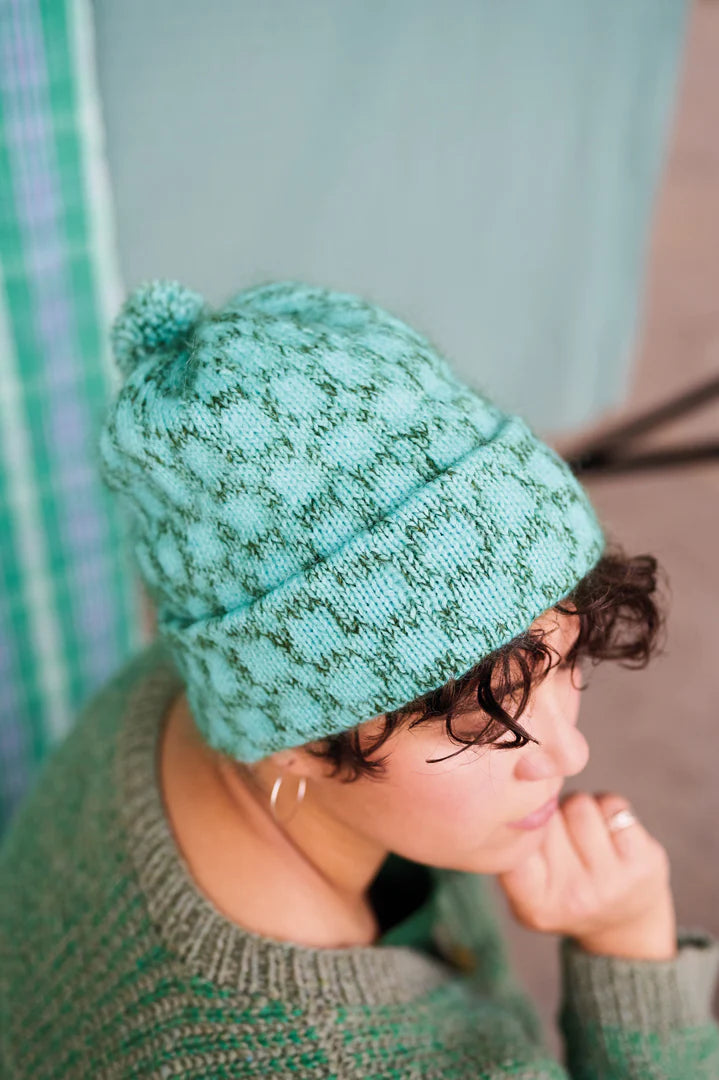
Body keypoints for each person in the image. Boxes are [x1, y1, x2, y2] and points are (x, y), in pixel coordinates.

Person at [1, 278, 717, 1078]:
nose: (568, 752)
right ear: (295, 738)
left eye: (565, 659)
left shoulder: (187, 679)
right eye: (488, 719)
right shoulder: (343, 1061)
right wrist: (629, 947)